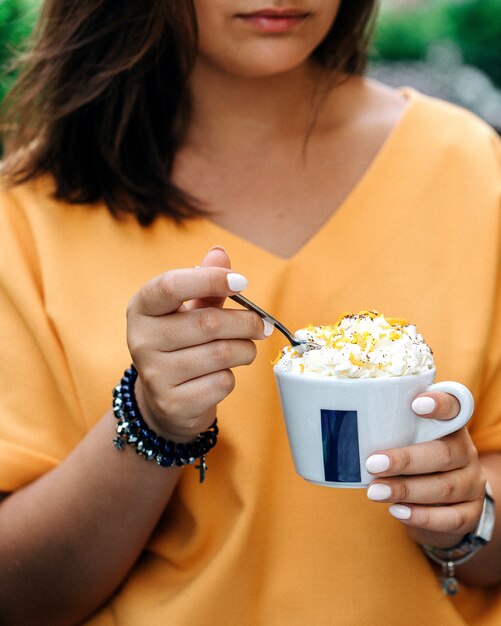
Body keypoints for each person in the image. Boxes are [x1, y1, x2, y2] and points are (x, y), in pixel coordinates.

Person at [0, 1, 500, 624]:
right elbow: (18, 596)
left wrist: (464, 520)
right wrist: (149, 421)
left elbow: (489, 535)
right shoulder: (27, 214)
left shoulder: (471, 170)